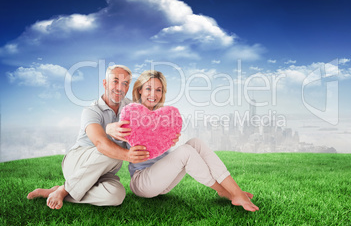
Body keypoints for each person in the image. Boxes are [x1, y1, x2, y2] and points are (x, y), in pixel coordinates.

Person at [107, 70, 259, 212]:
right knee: (185, 152)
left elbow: (164, 150)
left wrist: (168, 140)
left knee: (195, 142)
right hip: (143, 183)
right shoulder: (129, 115)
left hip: (164, 182)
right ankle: (227, 192)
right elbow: (111, 139)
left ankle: (234, 190)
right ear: (139, 89)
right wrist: (110, 129)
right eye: (148, 88)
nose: (153, 94)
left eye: (158, 90)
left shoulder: (164, 118)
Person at [27, 65, 153, 209]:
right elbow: (100, 143)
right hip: (77, 162)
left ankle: (62, 190)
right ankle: (64, 190)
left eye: (125, 83)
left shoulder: (132, 108)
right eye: (115, 81)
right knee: (111, 151)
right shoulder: (92, 111)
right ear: (105, 83)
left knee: (116, 196)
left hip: (104, 171)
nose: (119, 87)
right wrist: (128, 154)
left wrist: (168, 136)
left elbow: (149, 130)